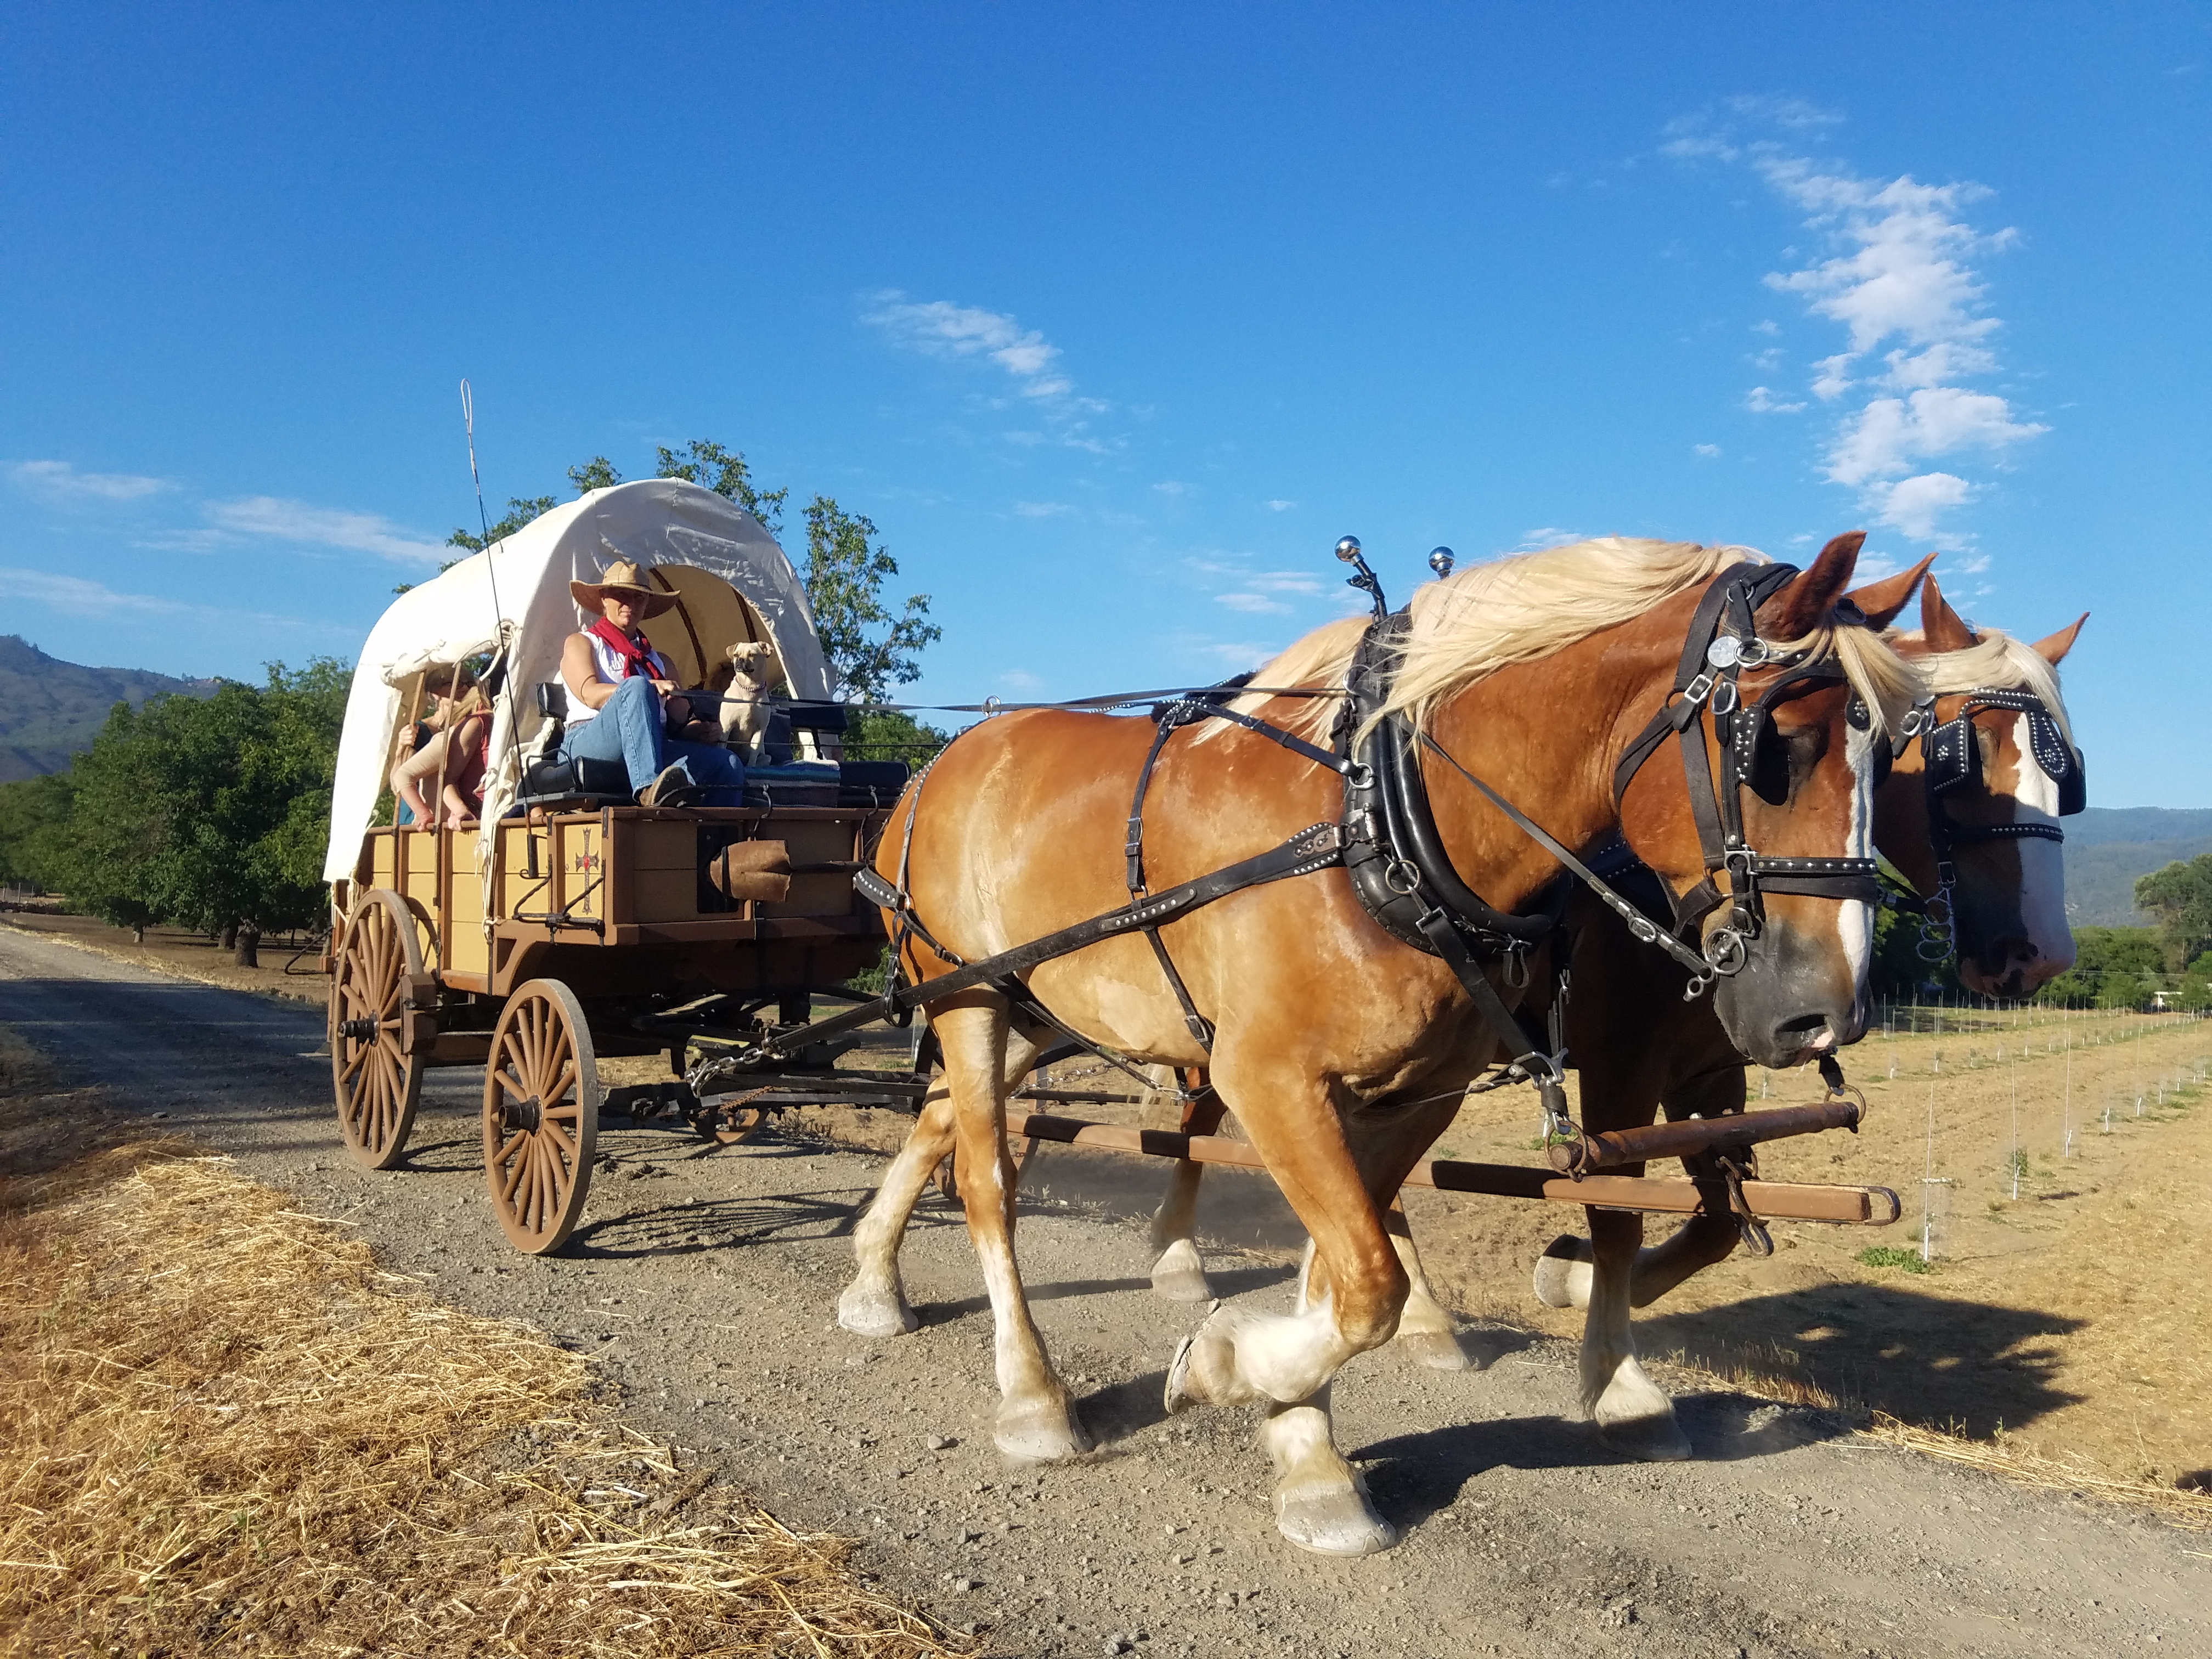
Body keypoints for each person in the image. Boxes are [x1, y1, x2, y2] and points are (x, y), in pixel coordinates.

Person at [557, 560, 746, 807]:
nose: (630, 604)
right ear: (604, 598)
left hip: (653, 743)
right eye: (621, 595)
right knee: (636, 687)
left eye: (639, 598)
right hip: (588, 741)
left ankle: (716, 840)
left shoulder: (661, 662)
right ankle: (649, 789)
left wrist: (697, 730)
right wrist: (647, 687)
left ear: (646, 605)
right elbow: (591, 695)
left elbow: (678, 721)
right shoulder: (582, 643)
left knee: (728, 764)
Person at [391, 664, 489, 826]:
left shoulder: (468, 726)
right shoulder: (419, 731)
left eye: (469, 683)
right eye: (456, 683)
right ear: (435, 693)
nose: (464, 687)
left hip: (448, 818)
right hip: (420, 819)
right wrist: (401, 750)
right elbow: (398, 785)